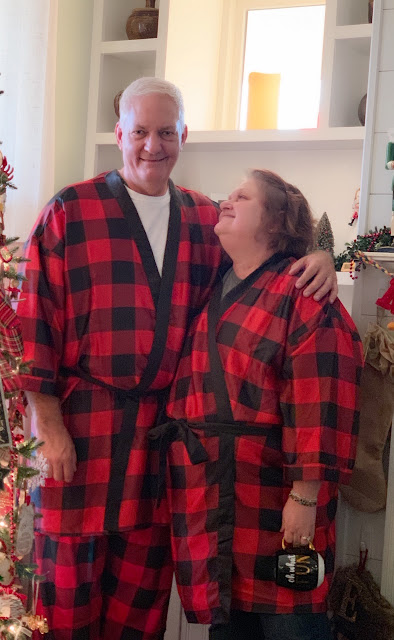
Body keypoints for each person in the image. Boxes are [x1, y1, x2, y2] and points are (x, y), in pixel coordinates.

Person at [17, 78, 338, 640]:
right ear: (119, 134)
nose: (152, 146)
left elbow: (266, 246)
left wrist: (321, 257)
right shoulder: (72, 210)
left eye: (166, 132)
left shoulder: (203, 218)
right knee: (62, 607)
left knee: (139, 613)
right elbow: (32, 319)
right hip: (81, 433)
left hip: (161, 447)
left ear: (183, 136)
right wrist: (46, 424)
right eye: (139, 131)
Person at [154, 169, 363, 640]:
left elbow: (321, 396)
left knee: (291, 625)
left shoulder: (306, 296)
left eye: (241, 197)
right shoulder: (218, 284)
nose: (225, 202)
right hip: (217, 504)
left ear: (275, 224)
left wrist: (305, 496)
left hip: (277, 501)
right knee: (230, 627)